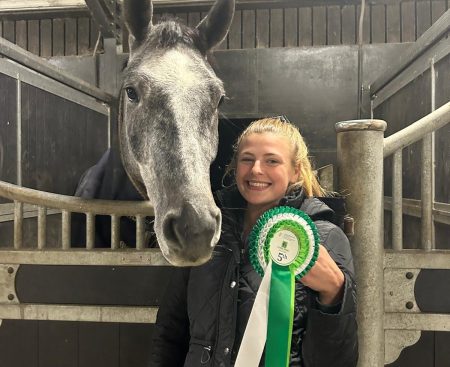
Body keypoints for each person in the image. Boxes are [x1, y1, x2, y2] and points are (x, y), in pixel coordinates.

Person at [149, 117, 358, 366]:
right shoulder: (209, 231)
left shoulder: (322, 237)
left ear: (295, 171)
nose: (256, 169)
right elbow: (171, 329)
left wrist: (335, 293)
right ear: (235, 167)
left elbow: (338, 360)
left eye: (272, 160)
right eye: (247, 159)